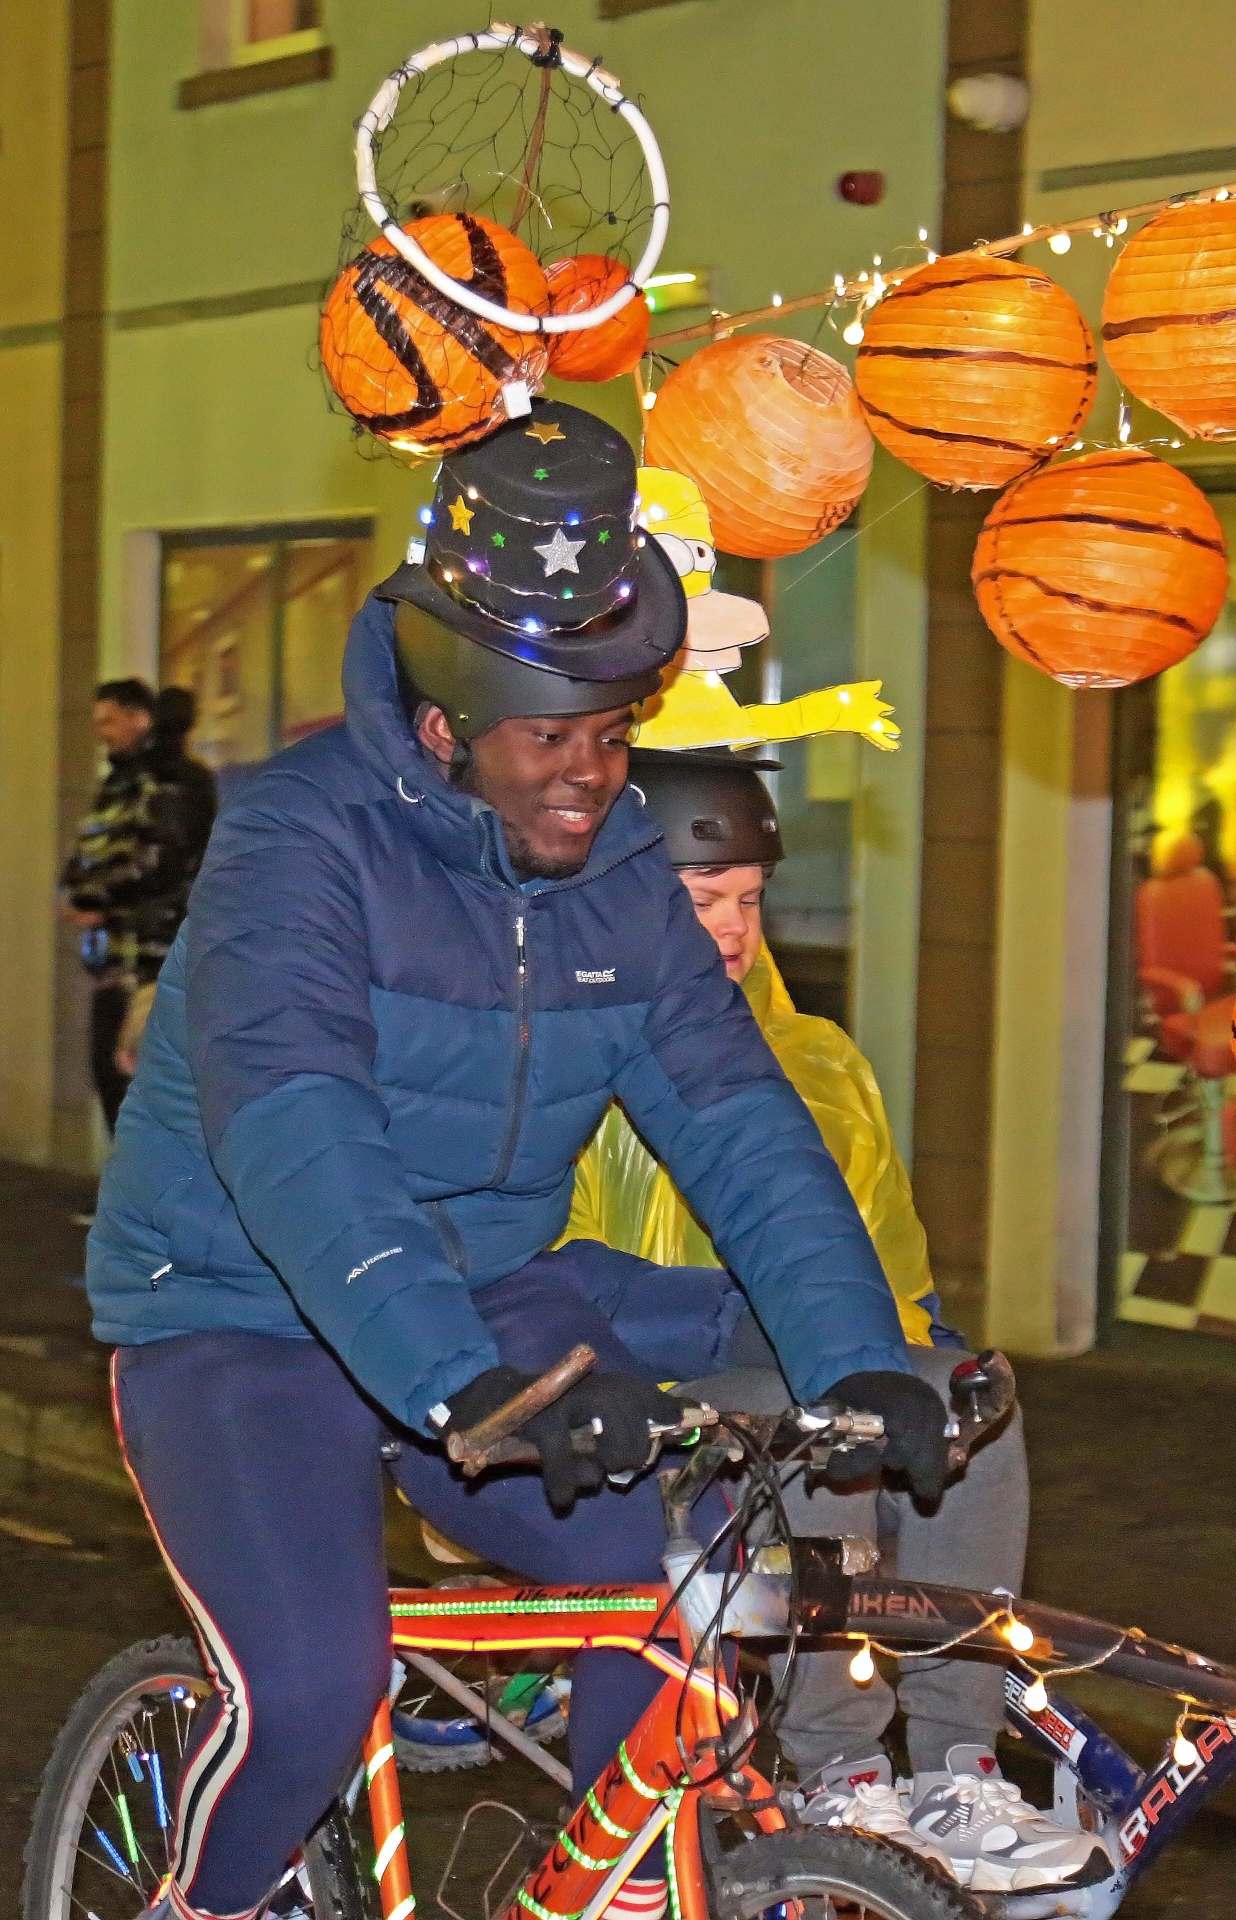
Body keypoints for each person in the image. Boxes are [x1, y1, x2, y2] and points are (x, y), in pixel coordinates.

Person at [87, 402, 952, 1920]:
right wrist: (458, 1388)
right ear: (442, 730)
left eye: (611, 736)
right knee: (312, 1687)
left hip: (495, 1298)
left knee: (673, 1607)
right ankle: (199, 1903)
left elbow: (738, 1116)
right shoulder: (296, 837)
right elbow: (296, 1124)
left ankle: (613, 1893)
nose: (590, 778)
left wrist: (860, 1353)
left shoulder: (618, 872)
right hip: (237, 1311)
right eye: (550, 740)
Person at [562, 749, 1109, 1897]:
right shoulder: (573, 1060)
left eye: (749, 898)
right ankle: (838, 1765)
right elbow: (549, 1269)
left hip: (801, 1348)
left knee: (971, 1401)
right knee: (813, 1418)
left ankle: (957, 1761)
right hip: (650, 1374)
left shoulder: (818, 1061)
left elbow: (887, 1261)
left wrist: (923, 1367)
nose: (732, 926)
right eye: (702, 899)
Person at [60, 679, 214, 1133]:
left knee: (142, 1082)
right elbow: (93, 847)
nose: (101, 733)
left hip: (156, 957)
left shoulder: (173, 781)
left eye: (108, 721)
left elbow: (159, 859)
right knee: (112, 1074)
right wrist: (74, 890)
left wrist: (94, 898)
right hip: (117, 957)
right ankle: (131, 1176)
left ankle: (149, 1178)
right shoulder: (121, 783)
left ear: (139, 718)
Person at [111, 687, 218, 1078]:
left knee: (136, 1036)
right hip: (182, 922)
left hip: (140, 926)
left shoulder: (140, 779)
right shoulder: (198, 780)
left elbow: (127, 852)